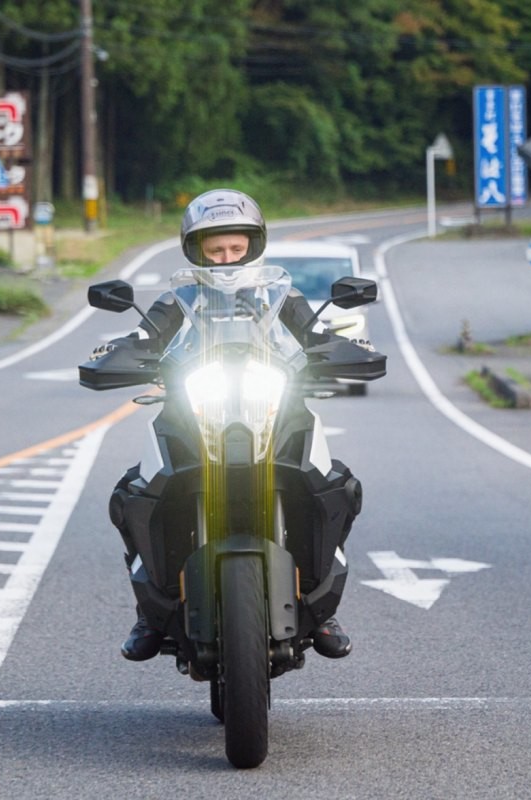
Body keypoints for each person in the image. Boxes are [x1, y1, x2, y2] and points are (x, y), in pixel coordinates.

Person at [94, 188, 357, 663]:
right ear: (196, 250)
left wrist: (347, 350)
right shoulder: (178, 300)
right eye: (216, 250)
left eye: (236, 247)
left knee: (338, 487)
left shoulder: (283, 296)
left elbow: (317, 335)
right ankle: (150, 612)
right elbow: (141, 336)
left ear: (254, 246)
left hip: (275, 408)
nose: (227, 259)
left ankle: (321, 607)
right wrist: (116, 352)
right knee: (131, 496)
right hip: (193, 410)